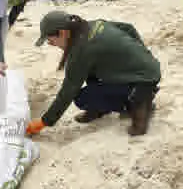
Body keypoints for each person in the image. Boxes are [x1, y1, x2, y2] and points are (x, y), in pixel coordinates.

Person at [25, 11, 161, 136]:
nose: (51, 44)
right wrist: (142, 54)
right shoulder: (91, 25)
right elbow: (128, 27)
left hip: (143, 79)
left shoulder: (81, 50)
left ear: (63, 33)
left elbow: (68, 90)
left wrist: (44, 122)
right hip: (148, 68)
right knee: (91, 70)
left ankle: (138, 102)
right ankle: (99, 109)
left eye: (50, 40)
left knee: (81, 98)